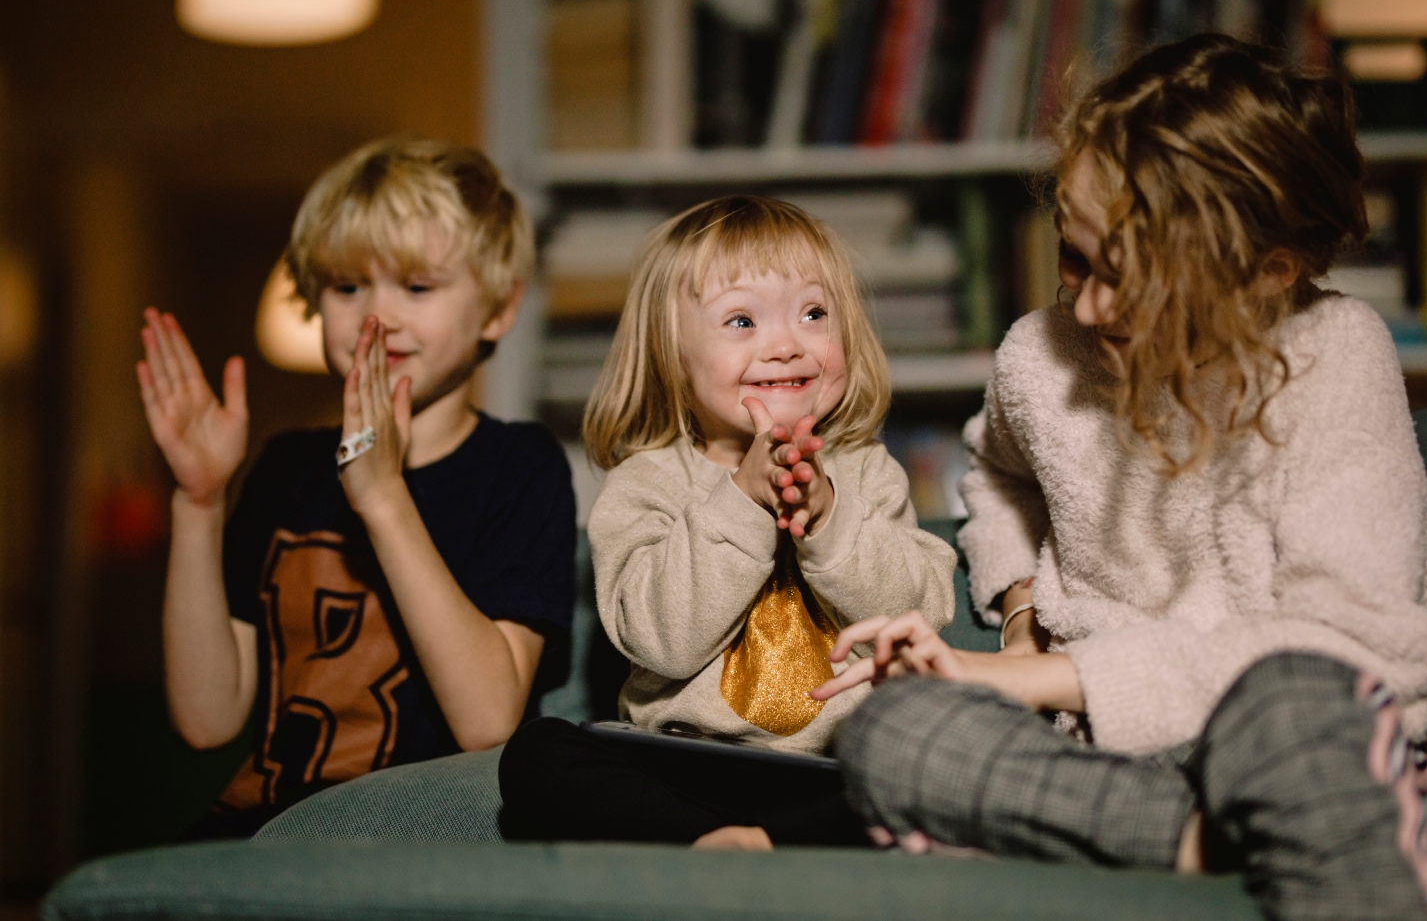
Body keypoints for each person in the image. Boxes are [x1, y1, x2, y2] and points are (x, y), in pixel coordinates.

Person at [810, 35, 1427, 918]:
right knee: (890, 734)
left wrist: (1048, 678)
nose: (1085, 303)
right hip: (1108, 760)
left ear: (1266, 272)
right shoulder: (1041, 355)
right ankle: (1271, 850)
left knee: (1294, 698)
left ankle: (1290, 837)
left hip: (1303, 733)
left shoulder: (1333, 353)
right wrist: (1023, 618)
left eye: (1128, 277)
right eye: (1074, 256)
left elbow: (1353, 644)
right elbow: (998, 477)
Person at [137, 137, 576, 839]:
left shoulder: (520, 467)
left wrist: (382, 496)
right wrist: (199, 503)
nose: (379, 316)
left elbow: (488, 719)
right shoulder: (284, 469)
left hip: (423, 840)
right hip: (262, 832)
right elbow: (206, 718)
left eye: (418, 286)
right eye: (347, 287)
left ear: (497, 309)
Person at [497, 195, 956, 851]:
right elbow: (659, 641)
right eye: (741, 320)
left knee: (947, 759)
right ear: (673, 359)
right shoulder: (645, 484)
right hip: (687, 764)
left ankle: (756, 841)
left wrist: (828, 514)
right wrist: (742, 499)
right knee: (538, 753)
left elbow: (923, 609)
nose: (786, 344)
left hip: (841, 764)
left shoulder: (864, 472)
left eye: (814, 313)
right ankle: (719, 837)